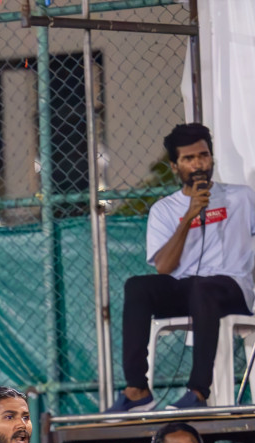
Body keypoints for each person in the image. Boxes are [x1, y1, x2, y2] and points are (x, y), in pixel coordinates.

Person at [108, 123, 255, 412]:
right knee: (137, 285)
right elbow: (164, 267)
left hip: (232, 286)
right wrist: (189, 216)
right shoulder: (164, 210)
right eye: (189, 159)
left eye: (203, 156)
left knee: (204, 287)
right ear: (175, 166)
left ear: (211, 158)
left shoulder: (243, 197)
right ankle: (137, 389)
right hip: (187, 289)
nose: (198, 164)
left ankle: (198, 392)